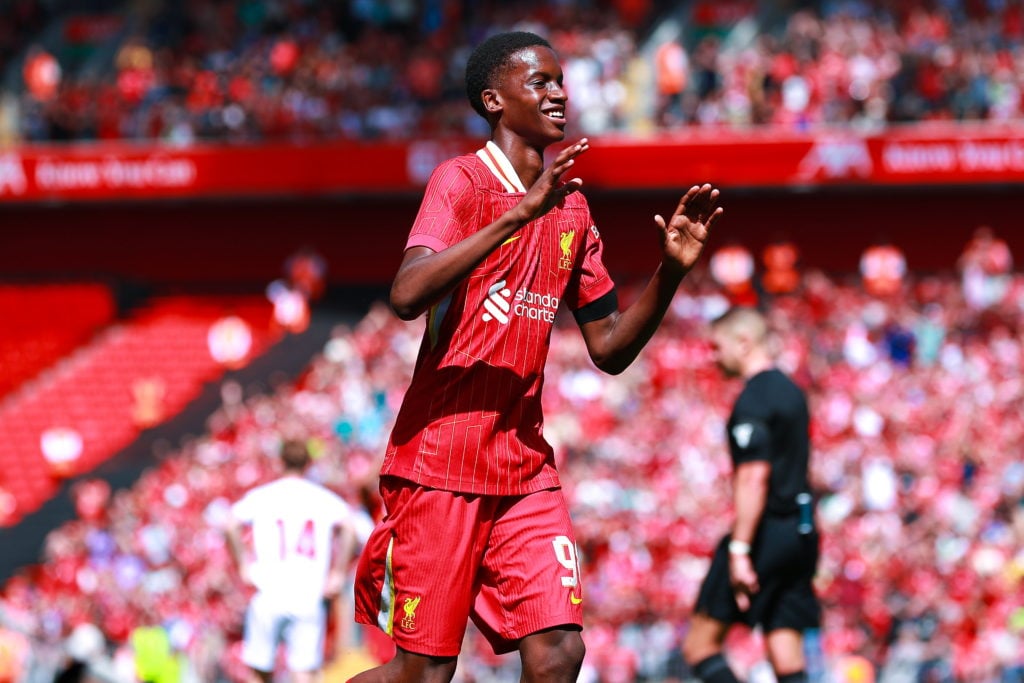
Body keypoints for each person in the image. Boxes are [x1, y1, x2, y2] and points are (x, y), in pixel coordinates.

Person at [351, 30, 723, 682]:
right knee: (423, 675)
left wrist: (669, 273)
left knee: (559, 652)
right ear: (494, 100)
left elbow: (607, 348)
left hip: (523, 469)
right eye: (541, 82)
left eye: (560, 80)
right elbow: (407, 293)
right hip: (440, 464)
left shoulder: (573, 209)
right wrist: (517, 215)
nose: (559, 93)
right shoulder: (459, 182)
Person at [682, 307, 820, 683]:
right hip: (802, 531)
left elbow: (753, 478)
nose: (713, 356)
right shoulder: (792, 391)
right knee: (785, 649)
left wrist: (741, 549)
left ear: (743, 343)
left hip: (765, 533)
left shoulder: (754, 399)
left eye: (717, 346)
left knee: (701, 645)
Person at [226, 440, 358, 683]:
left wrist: (243, 564)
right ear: (308, 463)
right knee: (303, 672)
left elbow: (231, 523)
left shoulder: (264, 495)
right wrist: (338, 573)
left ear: (279, 462)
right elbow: (350, 527)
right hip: (307, 592)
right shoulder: (321, 498)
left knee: (259, 671)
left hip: (269, 590)